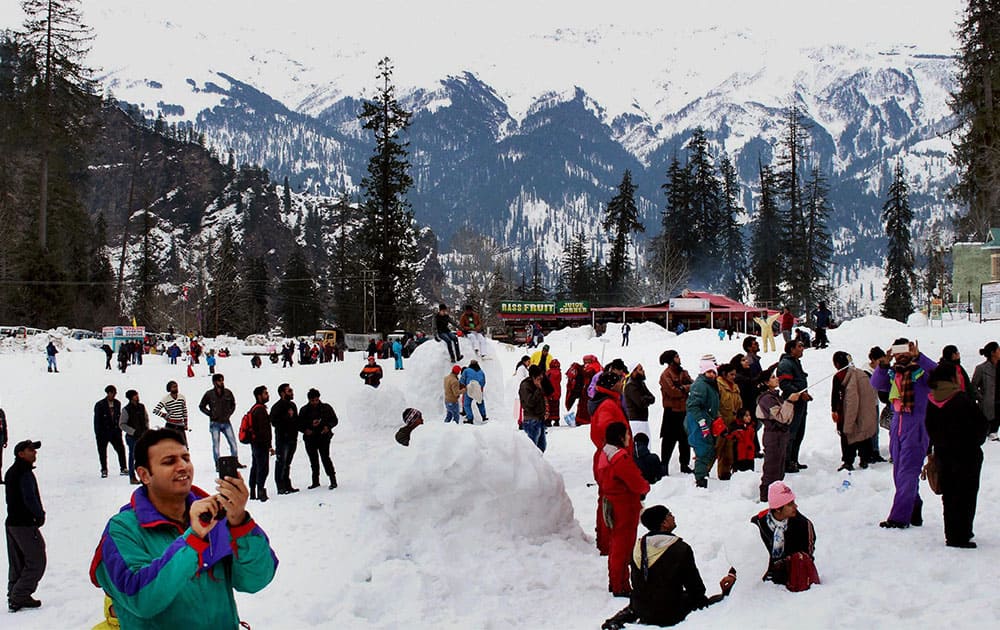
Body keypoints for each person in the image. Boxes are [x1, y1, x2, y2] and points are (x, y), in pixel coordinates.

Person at [89, 429, 278, 627]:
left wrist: (239, 522)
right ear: (144, 475)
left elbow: (255, 580)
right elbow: (140, 599)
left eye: (185, 458)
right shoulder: (122, 530)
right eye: (169, 461)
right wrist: (193, 540)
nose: (182, 467)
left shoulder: (214, 516)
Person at [601, 505, 736, 629]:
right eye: (670, 514)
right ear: (664, 523)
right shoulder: (680, 549)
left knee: (646, 598)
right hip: (670, 613)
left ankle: (620, 619)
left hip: (641, 609)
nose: (673, 516)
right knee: (704, 600)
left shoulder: (638, 547)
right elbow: (695, 588)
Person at [871, 338, 937, 528]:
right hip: (897, 425)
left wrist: (919, 356)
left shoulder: (922, 373)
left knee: (908, 471)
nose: (900, 355)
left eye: (904, 351)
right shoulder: (894, 373)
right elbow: (876, 383)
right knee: (899, 472)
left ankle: (899, 517)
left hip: (917, 426)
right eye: (897, 351)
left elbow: (938, 375)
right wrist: (884, 363)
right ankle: (914, 508)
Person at [925, 364, 989, 548]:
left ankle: (951, 534)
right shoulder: (961, 399)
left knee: (949, 496)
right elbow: (981, 426)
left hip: (943, 454)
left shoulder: (932, 399)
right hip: (967, 455)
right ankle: (962, 534)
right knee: (966, 495)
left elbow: (929, 427)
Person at [596, 422, 650, 597]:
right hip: (624, 506)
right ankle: (621, 585)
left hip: (610, 502)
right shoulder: (620, 458)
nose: (629, 437)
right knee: (623, 546)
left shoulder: (603, 453)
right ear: (620, 437)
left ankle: (616, 582)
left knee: (616, 545)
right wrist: (645, 488)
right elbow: (637, 482)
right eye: (627, 434)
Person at [750, 481, 819, 591]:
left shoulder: (803, 524)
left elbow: (807, 557)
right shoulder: (758, 523)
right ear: (777, 508)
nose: (795, 506)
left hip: (791, 574)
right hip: (762, 576)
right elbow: (746, 552)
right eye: (790, 504)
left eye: (793, 502)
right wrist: (733, 574)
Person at [591, 371, 629, 556]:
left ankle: (607, 541)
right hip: (611, 462)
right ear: (612, 384)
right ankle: (608, 543)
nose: (623, 383)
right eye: (621, 380)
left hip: (609, 459)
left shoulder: (611, 403)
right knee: (610, 503)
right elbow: (607, 431)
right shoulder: (607, 406)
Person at [5, 440, 45, 612]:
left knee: (17, 561)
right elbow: (29, 498)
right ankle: (19, 595)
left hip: (12, 523)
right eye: (30, 450)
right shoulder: (23, 473)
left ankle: (14, 594)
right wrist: (39, 515)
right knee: (36, 560)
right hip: (24, 524)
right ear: (20, 454)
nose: (34, 453)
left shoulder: (13, 472)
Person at [757, 367, 799, 502]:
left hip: (780, 436)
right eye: (773, 377)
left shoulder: (775, 396)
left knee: (779, 469)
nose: (777, 379)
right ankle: (765, 498)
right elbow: (782, 417)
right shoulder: (767, 399)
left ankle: (777, 497)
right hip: (773, 436)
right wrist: (790, 401)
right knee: (772, 469)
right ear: (766, 382)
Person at [830, 351, 877, 471]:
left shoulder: (839, 376)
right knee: (863, 432)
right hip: (864, 410)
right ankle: (864, 458)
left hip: (846, 411)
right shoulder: (863, 374)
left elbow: (835, 395)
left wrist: (834, 410)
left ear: (836, 364)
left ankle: (848, 460)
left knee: (847, 434)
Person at [685, 355, 720, 488]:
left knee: (708, 449)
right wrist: (701, 422)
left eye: (713, 372)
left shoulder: (710, 384)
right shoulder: (700, 385)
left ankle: (702, 474)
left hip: (707, 421)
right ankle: (700, 479)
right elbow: (693, 405)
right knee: (703, 450)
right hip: (698, 424)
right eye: (708, 372)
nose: (711, 374)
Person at [777, 339, 812, 473]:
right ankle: (786, 462)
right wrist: (798, 393)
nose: (802, 348)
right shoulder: (785, 364)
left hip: (801, 403)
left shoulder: (796, 362)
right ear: (791, 349)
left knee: (799, 432)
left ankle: (794, 460)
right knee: (791, 433)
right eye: (799, 346)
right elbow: (785, 384)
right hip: (792, 404)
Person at [659, 350, 693, 475]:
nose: (679, 358)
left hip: (684, 410)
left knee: (685, 439)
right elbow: (673, 392)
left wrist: (683, 388)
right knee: (669, 440)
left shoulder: (683, 372)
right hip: (671, 412)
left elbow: (692, 385)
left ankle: (684, 464)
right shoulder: (666, 375)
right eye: (676, 356)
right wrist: (683, 389)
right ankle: (664, 465)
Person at [298, 388, 339, 490]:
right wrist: (306, 429)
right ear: (309, 400)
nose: (315, 402)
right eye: (312, 400)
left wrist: (328, 427)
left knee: (325, 458)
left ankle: (333, 480)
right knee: (313, 460)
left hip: (323, 437)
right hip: (310, 438)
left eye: (316, 400)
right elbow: (299, 424)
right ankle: (315, 481)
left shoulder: (326, 407)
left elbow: (334, 420)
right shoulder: (304, 410)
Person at [199, 373, 240, 466]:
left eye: (222, 380)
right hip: (215, 423)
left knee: (233, 442)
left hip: (226, 421)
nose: (221, 382)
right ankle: (218, 464)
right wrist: (210, 414)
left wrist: (229, 413)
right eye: (219, 380)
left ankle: (235, 461)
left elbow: (233, 404)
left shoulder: (228, 392)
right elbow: (201, 406)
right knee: (216, 445)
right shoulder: (209, 394)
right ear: (214, 382)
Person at [713, 362, 743, 481]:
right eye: (731, 374)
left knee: (728, 451)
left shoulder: (735, 387)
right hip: (720, 423)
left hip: (732, 423)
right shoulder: (718, 385)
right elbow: (716, 405)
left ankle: (724, 473)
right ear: (724, 374)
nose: (734, 377)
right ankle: (703, 473)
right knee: (715, 449)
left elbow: (739, 404)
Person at [270, 383, 299, 495]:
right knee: (281, 462)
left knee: (287, 463)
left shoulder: (293, 405)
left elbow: (296, 420)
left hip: (292, 438)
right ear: (282, 393)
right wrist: (287, 418)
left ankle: (287, 484)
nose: (292, 393)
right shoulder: (277, 407)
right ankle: (280, 486)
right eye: (289, 391)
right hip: (282, 440)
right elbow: (274, 422)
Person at [94, 385, 128, 479]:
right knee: (102, 452)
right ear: (108, 393)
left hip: (115, 432)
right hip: (103, 433)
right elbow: (97, 420)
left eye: (115, 393)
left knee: (121, 449)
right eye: (112, 393)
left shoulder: (117, 403)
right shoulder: (100, 405)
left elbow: (118, 417)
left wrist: (119, 430)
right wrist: (98, 433)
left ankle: (123, 467)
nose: (113, 395)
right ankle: (104, 469)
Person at [247, 386, 272, 502]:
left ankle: (253, 491)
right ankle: (260, 491)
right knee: (263, 468)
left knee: (255, 466)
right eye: (265, 393)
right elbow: (264, 431)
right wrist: (269, 445)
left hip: (255, 444)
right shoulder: (260, 410)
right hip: (261, 444)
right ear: (259, 396)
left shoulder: (254, 409)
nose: (267, 395)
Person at [971, 341, 999, 441]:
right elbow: (973, 387)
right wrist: (982, 398)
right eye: (998, 349)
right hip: (988, 405)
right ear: (993, 353)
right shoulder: (981, 369)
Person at [119, 390, 149, 485]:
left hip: (143, 435)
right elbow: (122, 424)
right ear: (131, 397)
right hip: (132, 437)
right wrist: (133, 432)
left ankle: (143, 476)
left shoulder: (141, 407)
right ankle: (132, 477)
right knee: (132, 456)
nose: (137, 397)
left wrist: (146, 429)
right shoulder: (126, 410)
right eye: (135, 395)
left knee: (143, 457)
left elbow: (146, 418)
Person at [519, 364, 548, 452]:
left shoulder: (538, 384)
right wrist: (538, 389)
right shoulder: (525, 386)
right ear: (533, 377)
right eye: (539, 376)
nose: (541, 378)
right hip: (531, 420)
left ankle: (539, 464)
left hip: (539, 419)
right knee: (532, 449)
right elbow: (530, 403)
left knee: (541, 447)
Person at [624, 363, 655, 440]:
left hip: (643, 420)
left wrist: (646, 398)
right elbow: (641, 403)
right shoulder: (630, 386)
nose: (643, 371)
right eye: (640, 369)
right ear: (634, 372)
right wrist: (646, 399)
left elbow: (652, 398)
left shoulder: (641, 383)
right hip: (636, 421)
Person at [513, 355, 532, 427]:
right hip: (523, 389)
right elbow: (521, 379)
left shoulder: (524, 368)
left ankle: (523, 421)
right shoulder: (521, 369)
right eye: (528, 361)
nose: (529, 363)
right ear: (524, 361)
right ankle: (521, 422)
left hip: (525, 389)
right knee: (522, 407)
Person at [545, 359, 562, 427]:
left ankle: (549, 421)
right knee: (556, 406)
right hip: (557, 391)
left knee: (550, 406)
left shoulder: (548, 372)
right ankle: (557, 420)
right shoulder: (559, 372)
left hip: (550, 392)